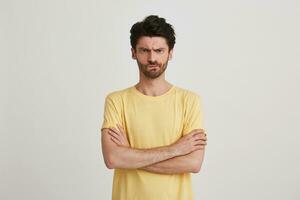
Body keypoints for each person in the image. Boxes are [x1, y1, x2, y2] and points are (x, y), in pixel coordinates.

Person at [100, 15, 207, 200]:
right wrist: (176, 150)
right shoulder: (116, 101)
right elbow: (113, 159)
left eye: (159, 50)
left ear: (170, 53)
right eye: (144, 50)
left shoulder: (189, 101)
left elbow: (193, 163)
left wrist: (130, 155)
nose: (152, 58)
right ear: (133, 52)